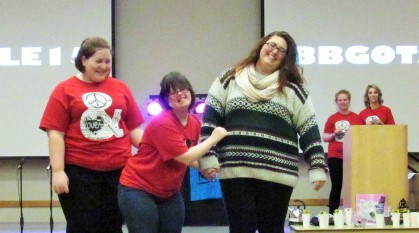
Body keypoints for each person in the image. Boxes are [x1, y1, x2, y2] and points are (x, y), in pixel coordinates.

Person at [198, 31, 328, 233]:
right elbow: (210, 120)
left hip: (277, 175)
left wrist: (318, 166)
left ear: (287, 59)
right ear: (261, 46)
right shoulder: (228, 79)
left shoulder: (294, 90)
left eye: (282, 51)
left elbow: (309, 129)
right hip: (236, 170)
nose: (275, 51)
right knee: (241, 229)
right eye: (272, 45)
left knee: (272, 229)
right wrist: (208, 157)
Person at [39, 37, 144, 233]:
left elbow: (134, 130)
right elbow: (55, 134)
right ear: (84, 60)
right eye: (98, 61)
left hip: (119, 172)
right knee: (82, 227)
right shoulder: (64, 89)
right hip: (79, 174)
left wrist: (158, 149)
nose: (104, 67)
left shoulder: (121, 88)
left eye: (107, 62)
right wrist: (58, 172)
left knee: (113, 226)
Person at [118, 71, 229, 233]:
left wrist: (203, 168)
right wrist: (213, 139)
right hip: (138, 188)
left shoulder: (194, 122)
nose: (180, 93)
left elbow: (187, 157)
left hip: (169, 192)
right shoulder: (162, 122)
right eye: (173, 92)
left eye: (184, 89)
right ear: (166, 100)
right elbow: (185, 157)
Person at [323, 90, 362, 214]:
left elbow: (362, 136)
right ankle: (332, 214)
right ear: (336, 102)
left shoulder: (357, 118)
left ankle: (355, 213)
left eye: (345, 99)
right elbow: (324, 137)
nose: (343, 102)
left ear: (349, 101)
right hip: (335, 156)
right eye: (340, 100)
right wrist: (334, 134)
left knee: (353, 185)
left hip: (352, 156)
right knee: (337, 185)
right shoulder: (332, 118)